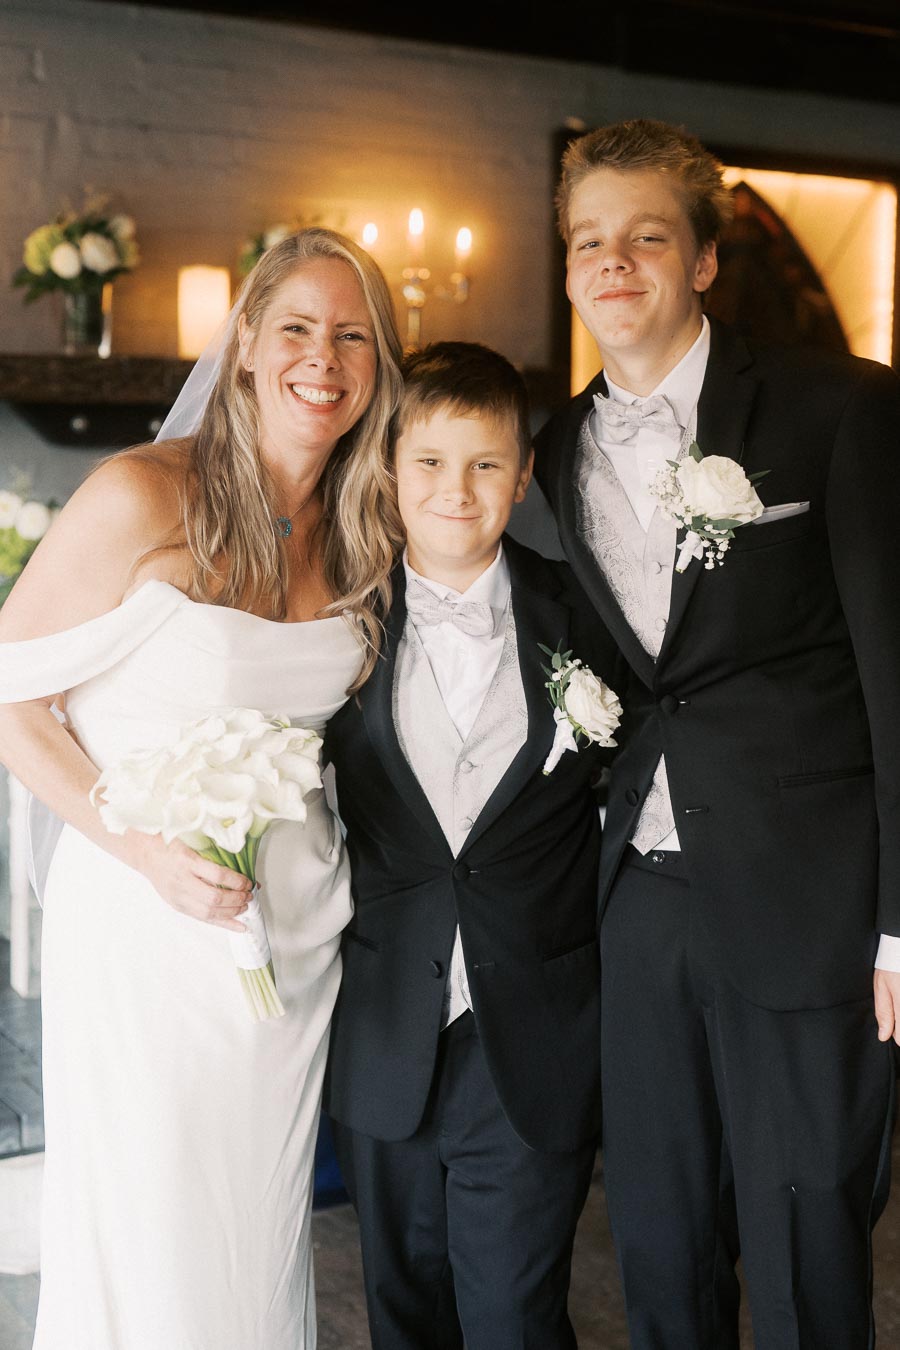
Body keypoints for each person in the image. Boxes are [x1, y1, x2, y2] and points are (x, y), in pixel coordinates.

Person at [0, 227, 402, 1349]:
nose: (323, 358)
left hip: (292, 938)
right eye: (298, 329)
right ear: (242, 345)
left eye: (353, 336)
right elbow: (9, 701)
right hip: (145, 925)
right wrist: (138, 848)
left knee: (259, 1229)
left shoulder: (366, 528)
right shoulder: (139, 496)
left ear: (377, 367)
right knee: (151, 1223)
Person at [535, 117, 900, 1349]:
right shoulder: (547, 451)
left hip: (810, 901)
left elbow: (896, 677)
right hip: (636, 907)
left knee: (807, 1251)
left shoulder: (837, 408)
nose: (613, 262)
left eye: (646, 236)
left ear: (701, 261)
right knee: (658, 1238)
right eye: (589, 240)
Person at [323, 341, 622, 1350]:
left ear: (524, 474)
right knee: (404, 1310)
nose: (458, 489)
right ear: (392, 467)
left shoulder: (584, 610)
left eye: (487, 463)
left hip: (534, 1032)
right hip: (384, 1028)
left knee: (514, 1317)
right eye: (432, 463)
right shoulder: (333, 614)